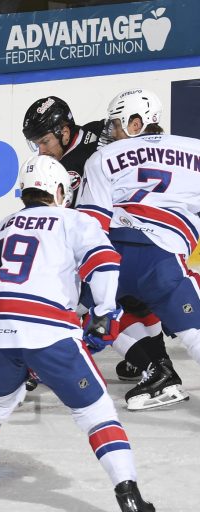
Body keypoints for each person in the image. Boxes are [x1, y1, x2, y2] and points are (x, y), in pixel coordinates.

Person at [0, 154, 155, 512]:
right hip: (48, 331)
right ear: (58, 191)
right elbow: (105, 262)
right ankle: (130, 496)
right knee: (96, 411)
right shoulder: (73, 219)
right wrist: (104, 312)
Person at [22, 95, 185, 403]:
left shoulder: (98, 140)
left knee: (93, 305)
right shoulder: (87, 142)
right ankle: (152, 362)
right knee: (132, 302)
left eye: (44, 142)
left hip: (124, 237)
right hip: (134, 238)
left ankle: (156, 367)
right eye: (36, 144)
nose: (41, 151)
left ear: (64, 132)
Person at [78, 88, 200, 410]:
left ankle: (153, 368)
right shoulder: (195, 150)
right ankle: (157, 369)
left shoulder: (102, 158)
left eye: (116, 124)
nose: (112, 132)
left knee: (95, 309)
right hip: (163, 257)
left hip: (114, 255)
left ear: (136, 123)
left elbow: (90, 227)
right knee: (192, 330)